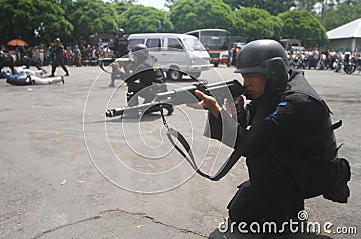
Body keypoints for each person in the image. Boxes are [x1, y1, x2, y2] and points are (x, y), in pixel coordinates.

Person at [188, 39, 350, 236]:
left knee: (261, 158)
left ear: (273, 72)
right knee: (240, 214)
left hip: (314, 172)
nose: (245, 83)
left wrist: (218, 114)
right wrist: (236, 112)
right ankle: (278, 206)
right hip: (292, 161)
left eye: (250, 76)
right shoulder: (276, 88)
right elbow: (254, 119)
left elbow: (251, 145)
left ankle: (286, 225)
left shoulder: (298, 102)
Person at [111, 44, 173, 116]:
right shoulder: (151, 59)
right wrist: (134, 66)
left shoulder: (144, 66)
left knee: (131, 85)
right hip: (159, 89)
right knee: (145, 110)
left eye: (135, 56)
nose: (133, 58)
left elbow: (130, 79)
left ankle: (132, 111)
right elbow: (145, 73)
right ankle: (164, 105)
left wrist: (118, 70)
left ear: (140, 56)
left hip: (152, 91)